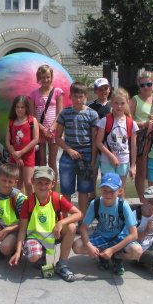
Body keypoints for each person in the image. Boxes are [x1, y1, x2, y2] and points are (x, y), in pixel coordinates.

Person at [9, 166, 81, 283]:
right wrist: (18, 251)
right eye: (39, 182)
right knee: (33, 257)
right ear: (32, 182)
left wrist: (61, 222)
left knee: (72, 227)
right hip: (35, 236)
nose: (43, 186)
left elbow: (78, 214)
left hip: (54, 233)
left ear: (53, 184)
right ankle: (40, 254)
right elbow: (22, 229)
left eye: (47, 183)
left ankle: (62, 264)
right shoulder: (28, 201)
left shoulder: (57, 198)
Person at [72, 173, 142, 277]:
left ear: (120, 191)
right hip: (101, 235)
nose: (108, 195)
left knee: (137, 251)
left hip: (120, 236)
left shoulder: (123, 206)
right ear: (100, 189)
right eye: (105, 190)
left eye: (112, 191)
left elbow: (134, 235)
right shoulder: (95, 203)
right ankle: (102, 254)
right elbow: (83, 228)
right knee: (76, 246)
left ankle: (117, 256)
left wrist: (112, 250)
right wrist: (89, 246)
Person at [55, 81, 100, 217]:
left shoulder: (92, 114)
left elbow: (95, 140)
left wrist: (93, 161)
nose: (78, 99)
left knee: (84, 190)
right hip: (68, 156)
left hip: (86, 156)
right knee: (66, 190)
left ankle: (82, 219)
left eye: (81, 96)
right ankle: (65, 220)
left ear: (86, 96)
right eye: (75, 96)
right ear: (70, 96)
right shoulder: (65, 113)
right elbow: (57, 138)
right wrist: (69, 150)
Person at [96, 88, 138, 199]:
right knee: (107, 189)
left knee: (120, 190)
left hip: (123, 160)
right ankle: (107, 207)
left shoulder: (131, 123)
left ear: (127, 103)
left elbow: (133, 146)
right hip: (107, 160)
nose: (119, 106)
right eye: (116, 103)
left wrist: (132, 166)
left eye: (122, 103)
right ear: (111, 103)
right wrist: (111, 156)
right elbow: (98, 142)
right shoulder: (105, 121)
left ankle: (120, 208)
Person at [130, 71, 153, 201]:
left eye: (149, 84)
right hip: (142, 137)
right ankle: (142, 199)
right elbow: (128, 120)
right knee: (141, 171)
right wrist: (144, 124)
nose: (145, 87)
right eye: (142, 85)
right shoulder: (135, 99)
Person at [29, 64, 64, 180]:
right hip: (40, 131)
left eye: (48, 77)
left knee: (52, 161)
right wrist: (43, 129)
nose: (46, 80)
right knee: (42, 161)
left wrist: (51, 129)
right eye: (43, 77)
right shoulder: (33, 94)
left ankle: (53, 185)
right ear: (39, 78)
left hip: (54, 131)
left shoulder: (58, 92)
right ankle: (42, 184)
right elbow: (32, 115)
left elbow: (60, 113)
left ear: (51, 77)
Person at [6, 95, 39, 195]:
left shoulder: (32, 120)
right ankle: (21, 203)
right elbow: (8, 142)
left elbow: (35, 139)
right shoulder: (11, 122)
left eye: (22, 107)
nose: (19, 109)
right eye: (17, 107)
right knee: (18, 183)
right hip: (14, 155)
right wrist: (16, 155)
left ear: (26, 108)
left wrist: (21, 152)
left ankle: (32, 202)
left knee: (29, 183)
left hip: (28, 155)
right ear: (14, 108)